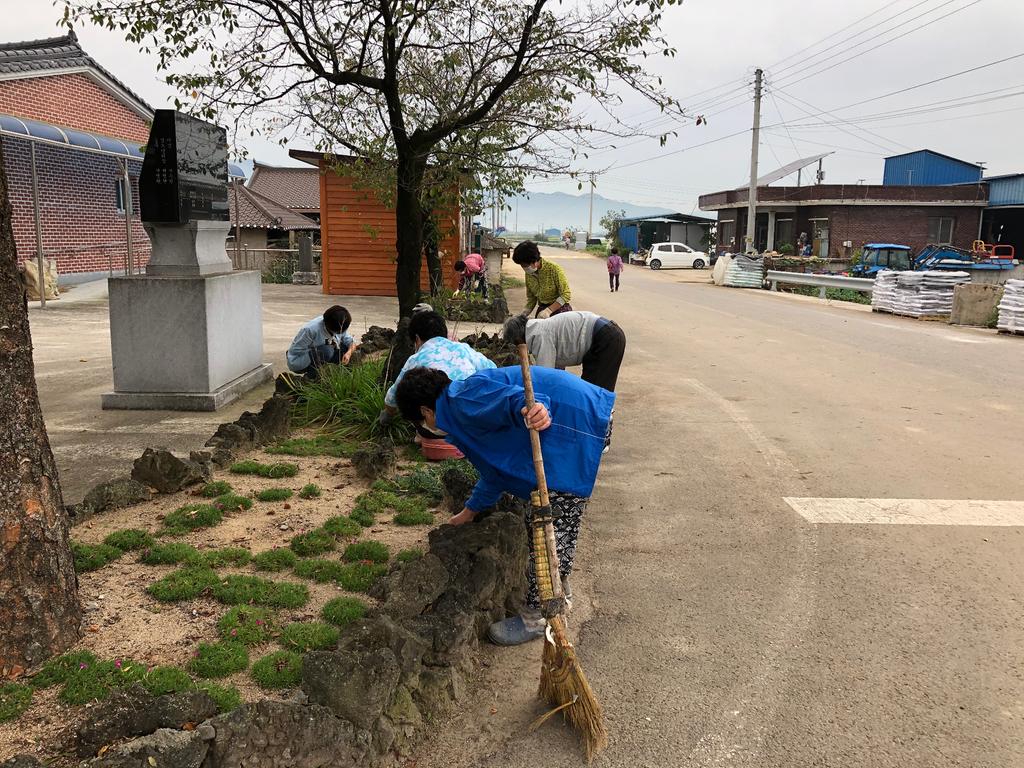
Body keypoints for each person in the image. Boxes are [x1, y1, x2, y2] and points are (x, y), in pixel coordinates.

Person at [395, 365, 613, 646]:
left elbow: (519, 399)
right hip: (577, 414)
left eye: (418, 425)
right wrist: (469, 512)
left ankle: (537, 617)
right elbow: (496, 470)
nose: (421, 433)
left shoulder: (463, 399)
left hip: (577, 419)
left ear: (425, 412)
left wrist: (536, 409)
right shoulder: (457, 412)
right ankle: (559, 590)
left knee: (548, 523)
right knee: (553, 521)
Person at [378, 310, 495, 426]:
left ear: (417, 339)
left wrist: (387, 415)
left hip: (440, 420)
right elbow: (493, 370)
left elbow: (394, 395)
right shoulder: (464, 349)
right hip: (477, 413)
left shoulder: (416, 359)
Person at [502, 311, 625, 393]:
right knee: (590, 390)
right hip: (606, 334)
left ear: (518, 338)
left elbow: (545, 375)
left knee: (595, 394)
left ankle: (601, 423)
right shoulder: (538, 327)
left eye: (515, 344)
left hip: (605, 338)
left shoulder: (539, 335)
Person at [286, 305, 356, 378]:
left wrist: (348, 353)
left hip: (322, 354)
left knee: (345, 349)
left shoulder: (340, 324)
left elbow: (351, 342)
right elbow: (296, 352)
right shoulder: (310, 329)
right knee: (327, 351)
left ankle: (332, 373)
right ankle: (311, 377)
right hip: (299, 360)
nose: (342, 332)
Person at [512, 240, 572, 318]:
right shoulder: (529, 274)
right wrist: (524, 314)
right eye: (521, 265)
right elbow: (532, 298)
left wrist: (549, 310)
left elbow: (566, 294)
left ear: (534, 261)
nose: (524, 268)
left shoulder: (553, 269)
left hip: (560, 310)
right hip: (542, 310)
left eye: (525, 265)